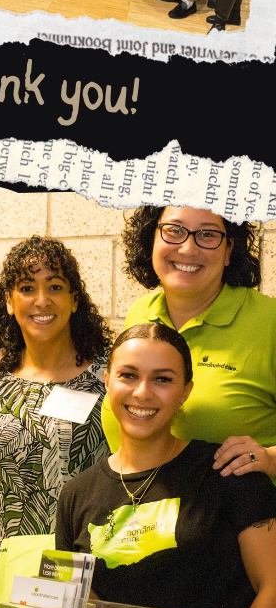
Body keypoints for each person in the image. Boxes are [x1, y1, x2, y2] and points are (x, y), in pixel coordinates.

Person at [58, 323, 276, 608]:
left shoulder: (229, 473)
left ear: (186, 391)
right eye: (128, 375)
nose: (142, 392)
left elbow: (272, 589)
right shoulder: (76, 495)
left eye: (162, 379)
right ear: (107, 380)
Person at [103, 205, 276, 479]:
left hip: (242, 506)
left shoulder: (269, 321)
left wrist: (271, 459)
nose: (187, 248)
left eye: (207, 234)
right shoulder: (141, 314)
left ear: (228, 250)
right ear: (152, 238)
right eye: (174, 230)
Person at [0, 236, 111, 541]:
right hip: (13, 555)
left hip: (85, 552)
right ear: (9, 302)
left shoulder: (108, 375)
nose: (41, 301)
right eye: (27, 288)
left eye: (55, 287)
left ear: (74, 300)